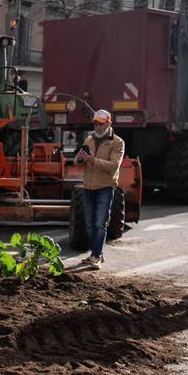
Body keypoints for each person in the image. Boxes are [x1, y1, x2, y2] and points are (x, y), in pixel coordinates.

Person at [73, 109, 125, 270]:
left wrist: (92, 160)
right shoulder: (89, 139)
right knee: (89, 224)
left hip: (105, 187)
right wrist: (80, 158)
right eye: (95, 123)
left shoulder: (117, 142)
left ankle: (96, 256)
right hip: (88, 187)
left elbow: (114, 166)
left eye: (100, 123)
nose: (97, 126)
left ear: (109, 123)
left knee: (99, 223)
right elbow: (76, 161)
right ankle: (97, 255)